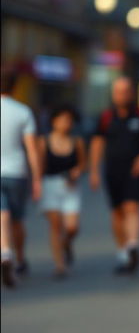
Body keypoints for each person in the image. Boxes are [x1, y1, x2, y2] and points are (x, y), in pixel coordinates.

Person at [89, 77, 139, 274]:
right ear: (113, 94)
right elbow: (97, 143)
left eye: (125, 91)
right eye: (118, 91)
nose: (122, 95)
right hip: (112, 170)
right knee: (117, 212)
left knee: (132, 207)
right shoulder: (105, 117)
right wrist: (94, 170)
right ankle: (123, 253)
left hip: (135, 170)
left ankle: (133, 245)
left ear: (132, 93)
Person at [1, 70, 41, 288]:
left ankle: (5, 252)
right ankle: (20, 258)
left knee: (1, 214)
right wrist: (37, 180)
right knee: (17, 219)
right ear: (15, 87)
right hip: (17, 172)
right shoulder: (23, 111)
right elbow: (32, 149)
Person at [38, 105, 86, 279]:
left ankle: (66, 244)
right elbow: (39, 165)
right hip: (50, 185)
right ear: (54, 122)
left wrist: (77, 171)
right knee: (56, 226)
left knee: (72, 227)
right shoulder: (44, 141)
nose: (66, 123)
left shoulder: (77, 141)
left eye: (69, 120)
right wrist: (36, 184)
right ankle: (60, 265)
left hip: (71, 187)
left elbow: (82, 163)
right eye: (62, 120)